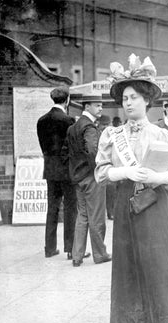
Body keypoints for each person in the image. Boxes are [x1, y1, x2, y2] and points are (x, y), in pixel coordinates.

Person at [95, 54, 168, 323]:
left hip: (156, 204)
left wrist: (159, 178)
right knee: (131, 264)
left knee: (163, 262)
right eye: (125, 98)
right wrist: (125, 170)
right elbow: (100, 173)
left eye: (134, 97)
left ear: (147, 101)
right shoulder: (112, 135)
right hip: (125, 203)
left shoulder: (161, 133)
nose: (128, 103)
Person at [67, 95, 111, 267]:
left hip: (77, 177)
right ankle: (100, 254)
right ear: (87, 106)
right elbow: (92, 150)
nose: (101, 108)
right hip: (92, 177)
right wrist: (98, 170)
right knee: (97, 217)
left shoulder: (73, 127)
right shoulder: (90, 127)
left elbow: (68, 152)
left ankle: (77, 256)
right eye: (98, 105)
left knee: (82, 216)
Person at [37, 86, 77, 259]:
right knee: (70, 208)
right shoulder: (69, 121)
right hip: (66, 171)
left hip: (50, 169)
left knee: (52, 208)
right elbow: (72, 148)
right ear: (67, 100)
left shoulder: (41, 121)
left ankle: (50, 248)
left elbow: (43, 146)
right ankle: (70, 248)